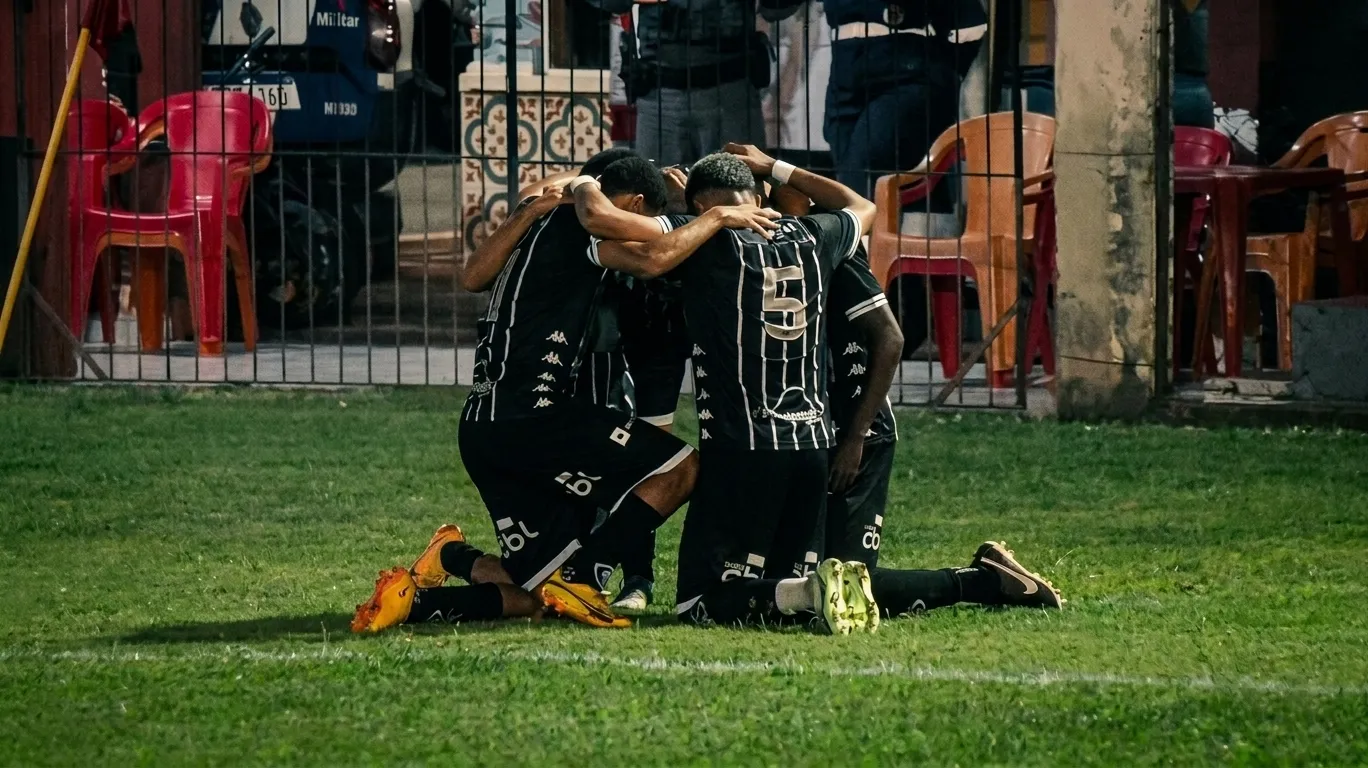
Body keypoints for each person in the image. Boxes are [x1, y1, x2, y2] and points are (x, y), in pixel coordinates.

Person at [351, 152, 782, 633]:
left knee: (534, 597)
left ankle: (428, 582)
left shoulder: (539, 216)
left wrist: (561, 193)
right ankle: (585, 577)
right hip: (533, 419)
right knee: (681, 469)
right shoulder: (583, 222)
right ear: (634, 203)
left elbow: (472, 276)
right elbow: (652, 257)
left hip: (483, 426)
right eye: (641, 216)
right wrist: (715, 216)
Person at [573, 148, 879, 633]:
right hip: (812, 448)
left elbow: (611, 227)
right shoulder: (811, 233)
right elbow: (862, 206)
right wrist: (775, 167)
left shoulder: (706, 237)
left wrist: (584, 184)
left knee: (697, 601)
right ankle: (962, 582)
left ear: (700, 207)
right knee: (778, 583)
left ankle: (809, 592)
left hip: (744, 449)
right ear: (755, 195)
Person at [817, 0, 987, 198]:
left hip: (908, 74)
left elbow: (970, 27)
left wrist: (940, 71)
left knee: (862, 168)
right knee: (851, 172)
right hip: (845, 77)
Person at [590, 0, 784, 167]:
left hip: (729, 91)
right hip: (659, 95)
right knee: (657, 192)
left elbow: (777, 8)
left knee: (737, 192)